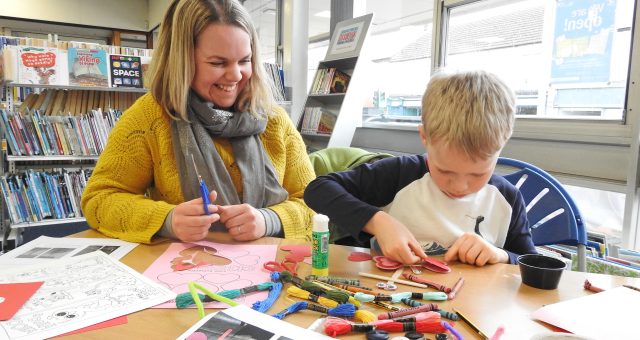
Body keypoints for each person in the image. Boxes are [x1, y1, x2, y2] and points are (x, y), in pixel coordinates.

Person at [81, 0, 315, 244]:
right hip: (183, 271)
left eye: (245, 60)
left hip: (270, 271)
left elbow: (316, 204)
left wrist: (269, 220)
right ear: (182, 61)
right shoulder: (149, 118)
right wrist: (167, 219)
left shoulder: (275, 121)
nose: (235, 76)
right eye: (217, 63)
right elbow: (100, 199)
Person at [304, 70, 537, 266]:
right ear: (424, 137)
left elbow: (530, 261)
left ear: (503, 142)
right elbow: (318, 189)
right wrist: (378, 222)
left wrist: (501, 255)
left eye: (478, 174)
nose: (459, 186)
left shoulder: (507, 198)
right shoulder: (399, 175)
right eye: (445, 171)